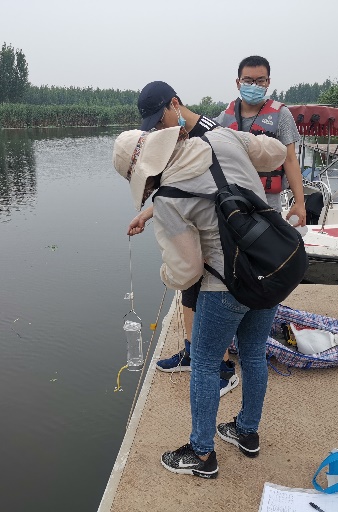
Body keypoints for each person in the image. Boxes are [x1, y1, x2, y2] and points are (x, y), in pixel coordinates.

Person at [113, 125, 287, 478]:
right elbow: (277, 154)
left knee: (205, 364)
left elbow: (187, 271)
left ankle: (202, 453)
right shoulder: (222, 137)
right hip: (271, 267)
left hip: (226, 285)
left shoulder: (168, 200)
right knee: (254, 354)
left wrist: (165, 273)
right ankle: (247, 432)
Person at [129, 81, 237, 397]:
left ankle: (224, 368)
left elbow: (228, 187)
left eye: (159, 120)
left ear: (174, 104)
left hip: (217, 235)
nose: (159, 129)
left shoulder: (212, 136)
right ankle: (191, 352)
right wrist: (148, 214)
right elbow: (178, 187)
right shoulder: (178, 137)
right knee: (189, 291)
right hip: (193, 231)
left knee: (211, 299)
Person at [215, 55, 306, 225]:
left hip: (268, 205)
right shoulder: (225, 117)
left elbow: (290, 159)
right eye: (248, 81)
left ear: (268, 82)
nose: (254, 86)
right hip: (233, 203)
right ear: (238, 83)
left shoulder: (281, 115)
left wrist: (300, 203)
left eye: (260, 81)